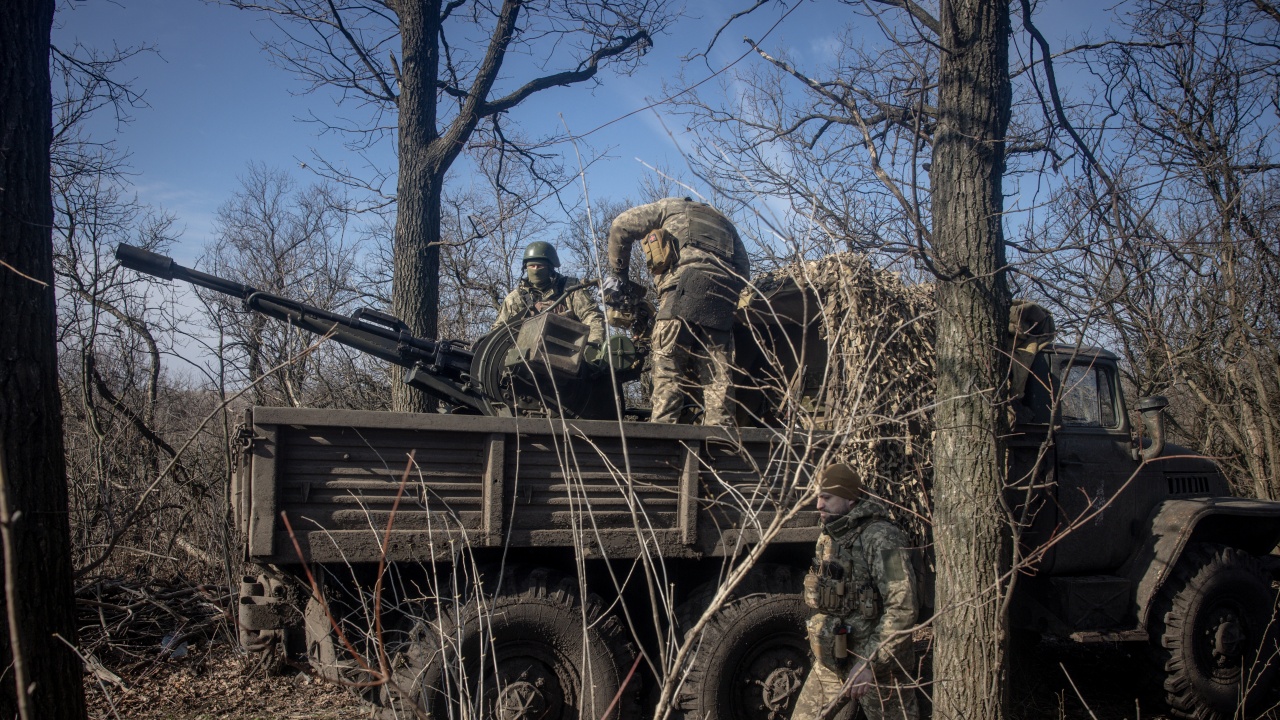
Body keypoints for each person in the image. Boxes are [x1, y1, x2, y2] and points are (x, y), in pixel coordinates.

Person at [602, 197, 750, 425]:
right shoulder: (724, 222)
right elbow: (743, 271)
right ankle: (721, 438)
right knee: (718, 375)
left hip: (680, 291)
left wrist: (619, 274)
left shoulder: (670, 207)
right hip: (721, 297)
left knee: (667, 367)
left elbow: (621, 225)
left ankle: (662, 435)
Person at [793, 463, 919, 720]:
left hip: (880, 669)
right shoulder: (829, 537)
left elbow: (903, 606)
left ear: (850, 499)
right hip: (833, 661)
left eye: (826, 498)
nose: (818, 505)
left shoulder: (884, 540)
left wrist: (870, 661)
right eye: (818, 497)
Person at [493, 241, 604, 346]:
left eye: (540, 266)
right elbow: (497, 333)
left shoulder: (570, 288)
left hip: (571, 351)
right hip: (526, 358)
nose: (536, 269)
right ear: (526, 267)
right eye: (532, 266)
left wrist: (593, 345)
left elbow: (591, 315)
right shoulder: (514, 299)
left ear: (551, 267)